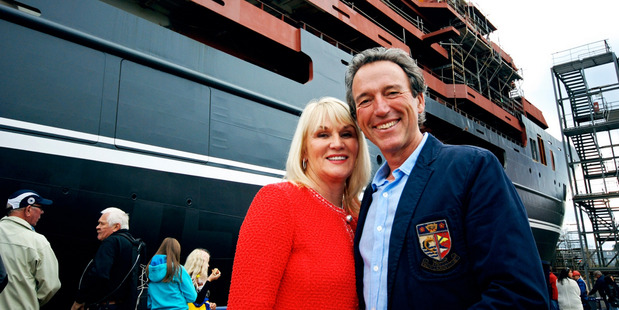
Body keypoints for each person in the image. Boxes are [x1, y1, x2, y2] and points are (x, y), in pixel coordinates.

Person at [344, 47, 549, 309]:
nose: (381, 109)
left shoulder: (473, 169)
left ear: (419, 101)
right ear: (358, 118)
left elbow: (520, 297)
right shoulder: (371, 197)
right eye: (365, 100)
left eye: (392, 92)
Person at [227, 97, 371, 309]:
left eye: (347, 134)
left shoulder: (363, 215)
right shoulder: (278, 201)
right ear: (304, 150)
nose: (337, 143)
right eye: (323, 135)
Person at [0, 189, 60, 309]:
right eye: (40, 208)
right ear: (28, 209)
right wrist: (30, 301)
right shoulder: (38, 242)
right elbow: (51, 285)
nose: (42, 212)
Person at [72, 207, 140, 310]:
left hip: (104, 306)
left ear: (116, 227)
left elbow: (99, 274)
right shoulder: (132, 244)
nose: (97, 227)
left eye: (102, 224)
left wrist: (79, 300)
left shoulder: (111, 241)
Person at [147, 237, 197, 309]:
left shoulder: (150, 270)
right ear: (177, 251)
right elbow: (192, 297)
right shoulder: (178, 269)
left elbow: (149, 302)